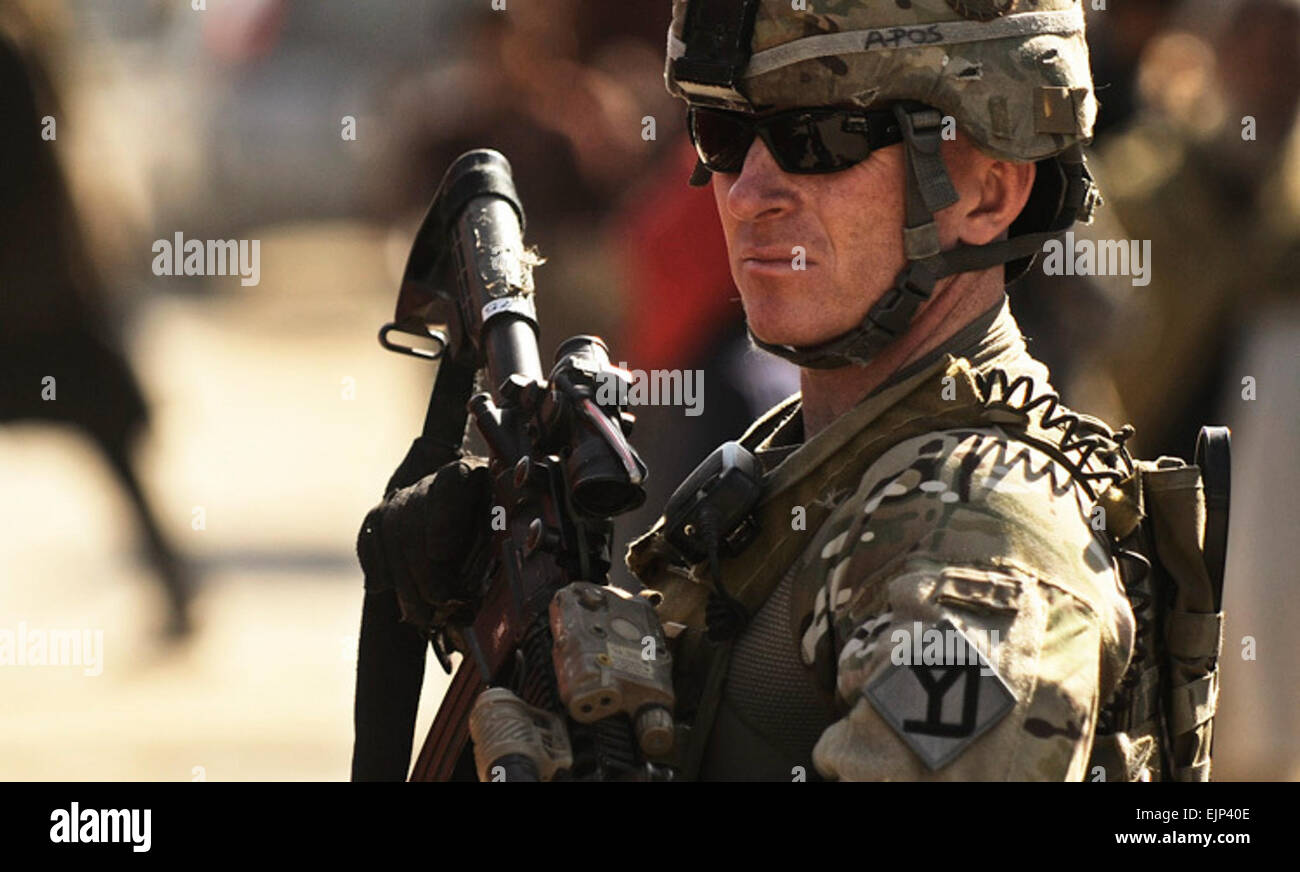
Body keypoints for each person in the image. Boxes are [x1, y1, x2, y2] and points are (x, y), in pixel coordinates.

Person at [358, 0, 1201, 781]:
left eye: (821, 139)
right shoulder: (814, 461)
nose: (748, 193)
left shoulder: (984, 555)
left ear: (987, 192)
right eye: (724, 135)